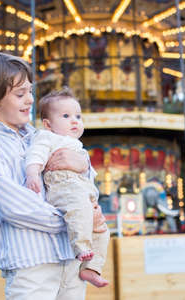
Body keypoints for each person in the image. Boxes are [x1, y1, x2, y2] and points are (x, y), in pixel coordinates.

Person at [0, 52, 106, 300]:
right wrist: (71, 218)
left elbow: (83, 182)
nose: (30, 100)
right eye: (20, 94)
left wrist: (83, 163)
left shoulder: (43, 136)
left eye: (30, 92)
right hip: (31, 263)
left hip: (70, 258)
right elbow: (12, 205)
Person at [25, 87, 110, 288]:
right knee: (79, 211)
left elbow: (90, 175)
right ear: (48, 124)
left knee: (101, 228)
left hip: (83, 191)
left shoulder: (78, 146)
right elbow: (36, 154)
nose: (74, 120)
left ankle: (92, 267)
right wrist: (33, 173)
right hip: (63, 187)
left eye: (78, 116)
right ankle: (81, 248)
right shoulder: (46, 137)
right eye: (66, 116)